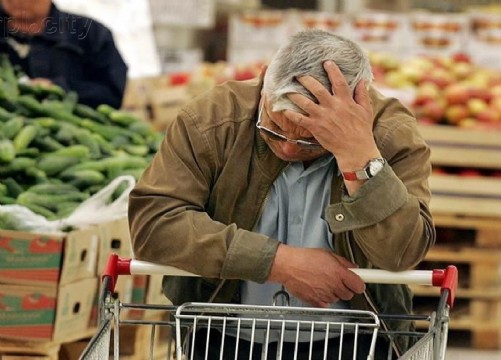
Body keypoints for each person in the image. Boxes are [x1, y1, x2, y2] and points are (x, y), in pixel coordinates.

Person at [128, 29, 435, 359]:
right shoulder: (212, 119)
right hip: (222, 332)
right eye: (273, 128)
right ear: (263, 88)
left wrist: (359, 157)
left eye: (310, 140)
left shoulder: (389, 134)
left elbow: (402, 253)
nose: (288, 147)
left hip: (356, 337)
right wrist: (279, 262)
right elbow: (155, 224)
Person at [0, 0, 127, 108]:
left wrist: (59, 87)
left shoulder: (90, 33)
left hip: (74, 131)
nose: (18, 1)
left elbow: (113, 94)